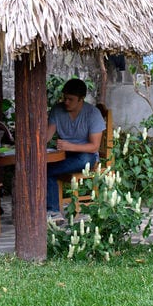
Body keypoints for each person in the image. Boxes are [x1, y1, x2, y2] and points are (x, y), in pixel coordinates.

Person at [44, 78, 106, 217]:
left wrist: (70, 146)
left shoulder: (93, 114)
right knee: (46, 165)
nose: (66, 102)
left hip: (86, 156)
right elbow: (47, 136)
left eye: (70, 99)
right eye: (64, 98)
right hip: (64, 155)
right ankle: (52, 210)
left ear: (81, 99)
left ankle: (52, 211)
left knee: (82, 160)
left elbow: (94, 147)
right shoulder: (57, 110)